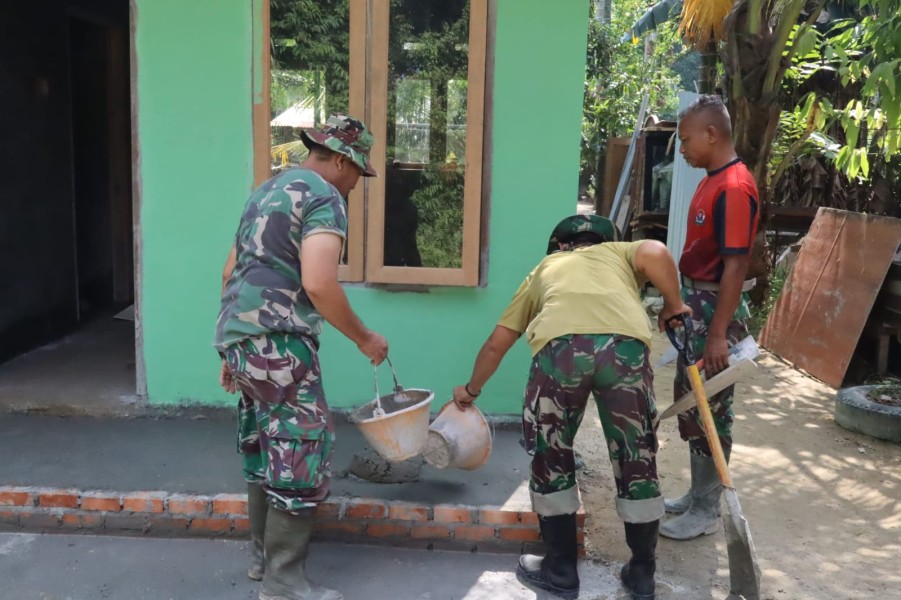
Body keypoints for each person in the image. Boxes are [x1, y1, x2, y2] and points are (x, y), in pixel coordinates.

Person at [452, 215, 691, 600]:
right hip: (624, 351)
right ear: (607, 240)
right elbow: (656, 251)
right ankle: (642, 573)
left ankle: (561, 571)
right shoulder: (621, 253)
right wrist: (674, 306)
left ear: (561, 246)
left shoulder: (546, 267)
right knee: (636, 456)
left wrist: (470, 390)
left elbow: (498, 342)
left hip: (560, 353)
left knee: (552, 453)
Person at [215, 114, 388, 600]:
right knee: (299, 449)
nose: (358, 183)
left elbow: (231, 272)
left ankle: (261, 561)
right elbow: (318, 282)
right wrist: (364, 337)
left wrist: (232, 349)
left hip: (243, 338)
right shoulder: (324, 197)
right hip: (280, 343)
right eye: (358, 172)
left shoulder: (264, 192)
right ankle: (284, 582)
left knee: (264, 449)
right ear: (339, 160)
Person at [659, 95, 760, 541]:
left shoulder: (734, 187)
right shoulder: (711, 179)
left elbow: (736, 266)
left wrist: (718, 334)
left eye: (685, 140)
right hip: (699, 306)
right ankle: (698, 495)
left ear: (712, 134)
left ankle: (706, 509)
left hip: (717, 308)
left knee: (711, 406)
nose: (682, 149)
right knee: (693, 401)